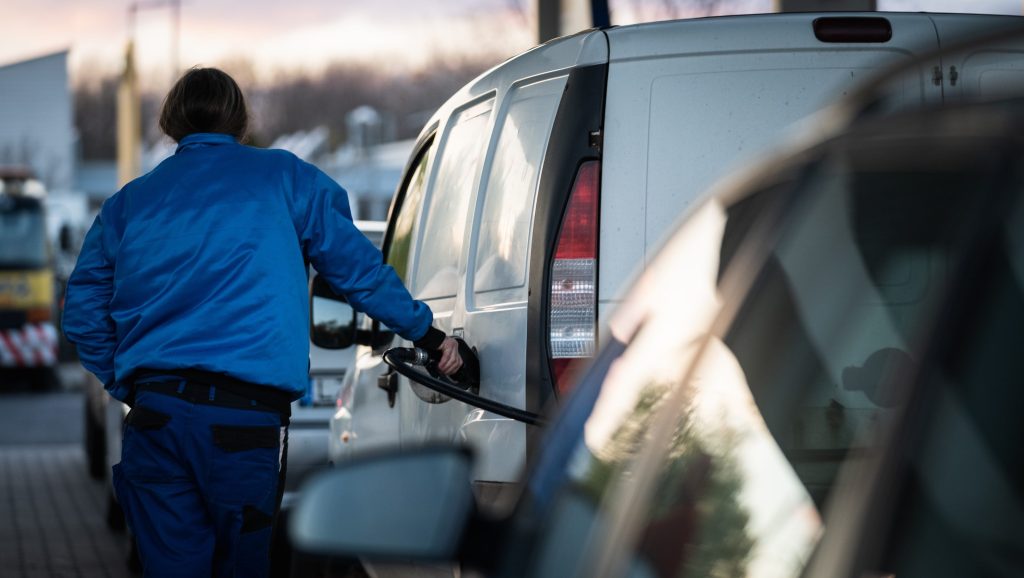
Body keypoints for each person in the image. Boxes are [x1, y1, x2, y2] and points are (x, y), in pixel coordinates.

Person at [62, 67, 462, 578]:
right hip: (244, 424)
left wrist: (127, 381)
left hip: (156, 420)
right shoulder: (287, 179)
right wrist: (428, 335)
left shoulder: (128, 204)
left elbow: (82, 310)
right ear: (241, 121)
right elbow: (360, 273)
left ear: (169, 122)